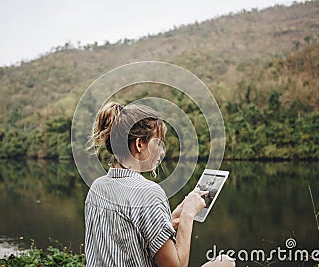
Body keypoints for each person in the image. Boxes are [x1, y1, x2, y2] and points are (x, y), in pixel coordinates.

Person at [85, 102, 235, 267]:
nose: (162, 151)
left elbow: (127, 239)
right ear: (140, 144)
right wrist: (188, 216)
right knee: (226, 262)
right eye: (158, 143)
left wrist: (168, 220)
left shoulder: (96, 188)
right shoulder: (149, 192)